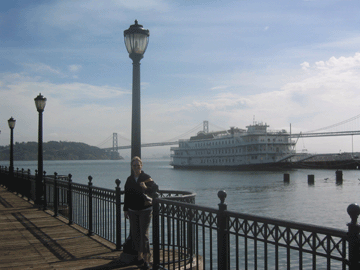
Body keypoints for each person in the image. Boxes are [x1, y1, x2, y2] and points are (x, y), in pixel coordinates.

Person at [124, 156, 158, 269]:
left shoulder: (146, 177)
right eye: (134, 165)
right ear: (131, 167)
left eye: (138, 165)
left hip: (145, 210)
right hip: (133, 210)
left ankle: (147, 259)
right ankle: (139, 257)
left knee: (144, 235)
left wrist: (146, 188)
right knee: (135, 234)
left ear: (141, 166)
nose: (136, 167)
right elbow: (127, 195)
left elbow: (155, 190)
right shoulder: (129, 179)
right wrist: (125, 210)